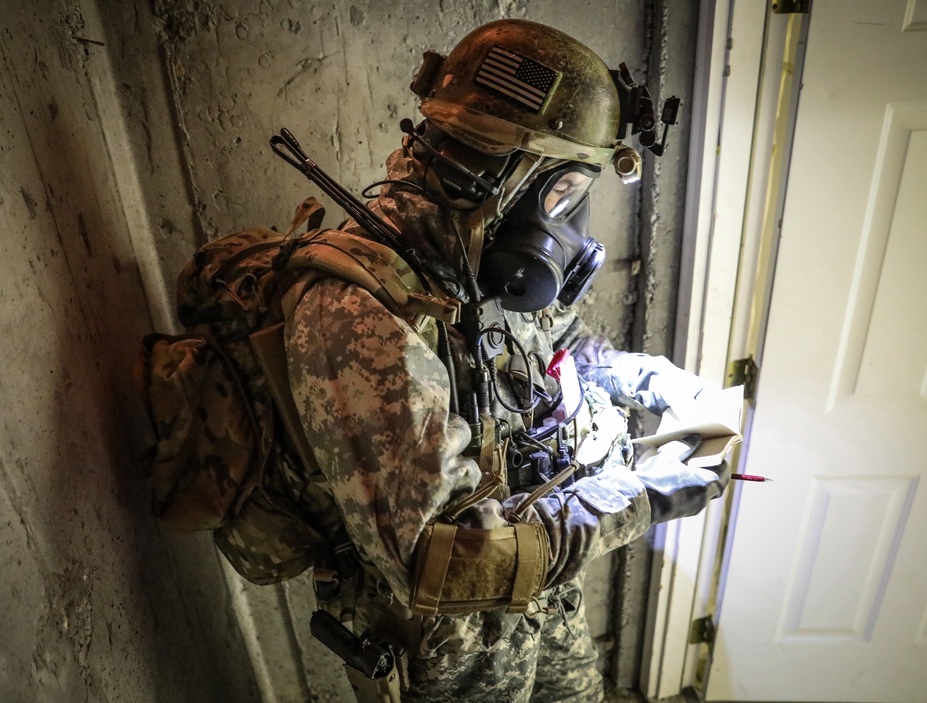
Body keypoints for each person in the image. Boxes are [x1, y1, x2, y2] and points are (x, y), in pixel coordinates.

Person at [279, 19, 729, 703]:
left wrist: (645, 377)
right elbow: (444, 561)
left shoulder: (480, 260)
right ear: (507, 171)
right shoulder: (360, 318)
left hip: (542, 587)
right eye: (569, 190)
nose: (574, 223)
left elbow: (557, 349)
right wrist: (638, 495)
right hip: (456, 651)